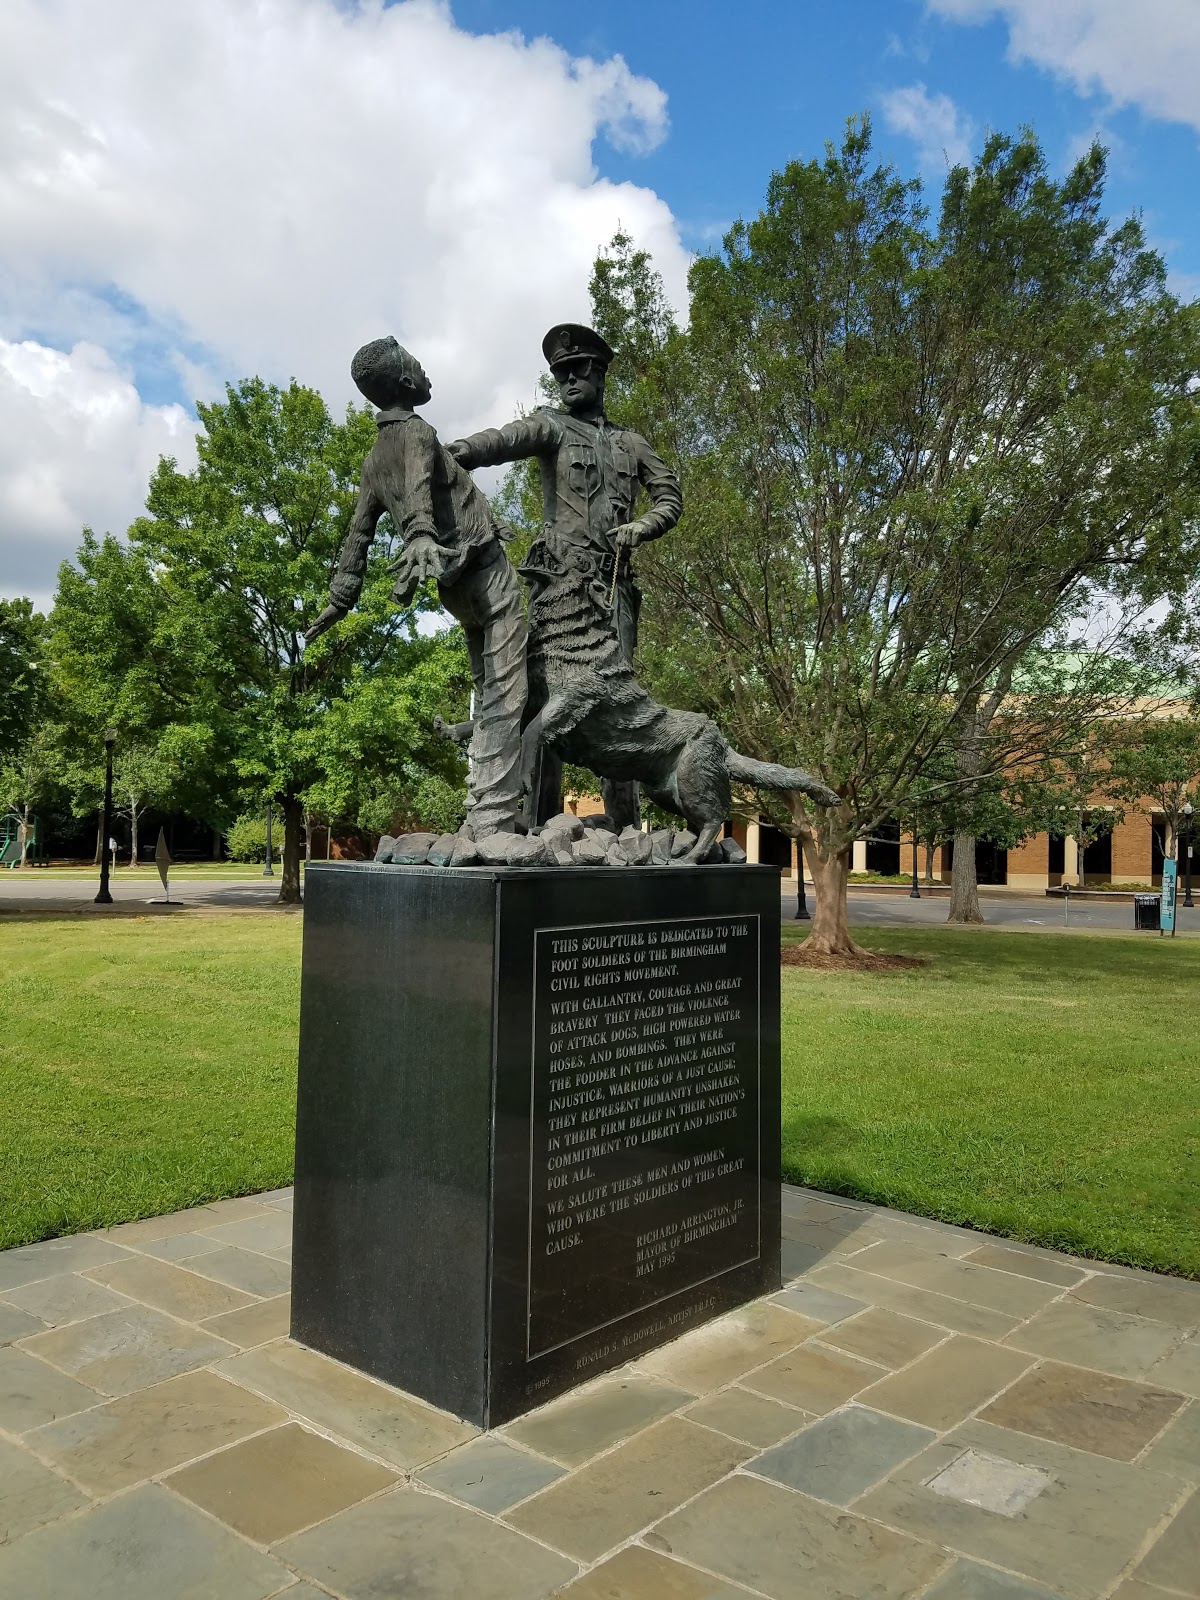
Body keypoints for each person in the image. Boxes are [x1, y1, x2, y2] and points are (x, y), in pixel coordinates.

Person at [446, 323, 682, 826]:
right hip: (558, 589)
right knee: (544, 698)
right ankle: (531, 825)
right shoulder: (552, 426)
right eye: (560, 373)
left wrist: (642, 525)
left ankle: (624, 829)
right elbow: (505, 439)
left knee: (616, 704)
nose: (567, 379)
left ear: (599, 373)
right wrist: (457, 453)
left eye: (577, 369)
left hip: (612, 590)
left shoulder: (632, 444)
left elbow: (670, 498)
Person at [306, 337, 527, 837]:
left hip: (453, 591)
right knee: (509, 693)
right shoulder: (418, 432)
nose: (428, 375)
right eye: (420, 368)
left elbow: (356, 538)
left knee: (488, 687)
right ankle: (494, 818)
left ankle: (487, 809)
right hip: (486, 575)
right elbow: (421, 488)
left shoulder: (371, 461)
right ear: (408, 382)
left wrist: (338, 601)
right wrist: (420, 532)